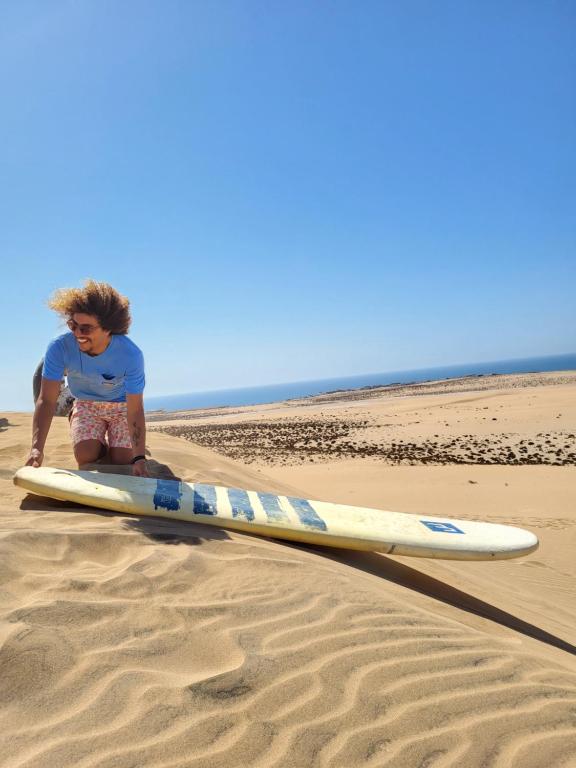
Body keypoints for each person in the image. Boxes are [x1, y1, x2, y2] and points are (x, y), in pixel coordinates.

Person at [26, 280, 149, 477]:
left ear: (108, 328)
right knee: (85, 455)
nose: (77, 333)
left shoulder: (130, 355)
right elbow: (47, 400)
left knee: (122, 459)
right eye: (72, 325)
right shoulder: (59, 348)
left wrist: (139, 457)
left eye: (85, 328)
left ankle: (119, 446)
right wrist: (36, 449)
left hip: (121, 407)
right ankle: (90, 434)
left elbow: (135, 409)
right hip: (85, 404)